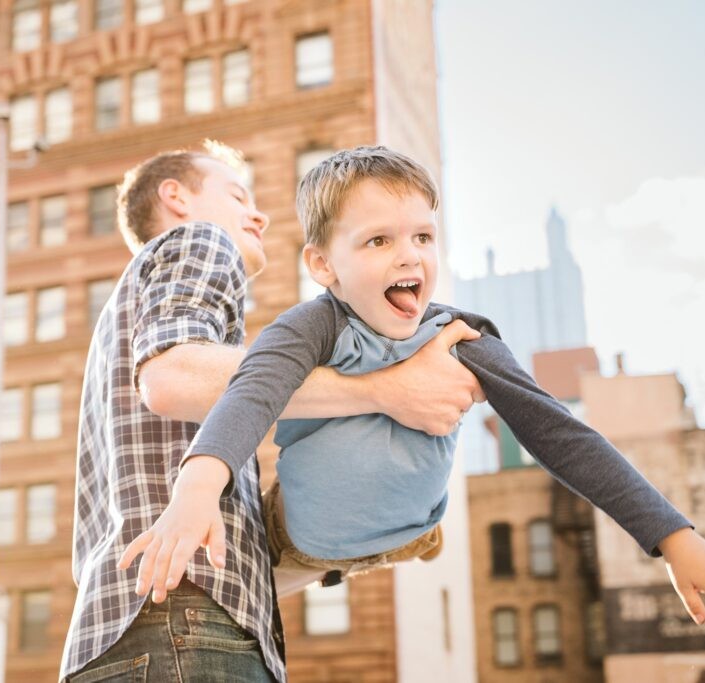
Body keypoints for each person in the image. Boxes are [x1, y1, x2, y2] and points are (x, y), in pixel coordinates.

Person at [120, 145, 705, 629]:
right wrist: (195, 489)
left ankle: (406, 536)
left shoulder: (463, 338)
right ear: (324, 264)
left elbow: (557, 431)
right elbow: (252, 394)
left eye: (423, 237)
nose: (409, 256)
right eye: (378, 240)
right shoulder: (311, 326)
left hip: (408, 526)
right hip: (297, 541)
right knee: (212, 582)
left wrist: (673, 535)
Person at [59, 141, 486, 683]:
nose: (257, 213)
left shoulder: (120, 326)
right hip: (186, 634)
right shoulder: (199, 240)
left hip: (119, 640)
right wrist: (384, 390)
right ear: (176, 198)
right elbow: (171, 377)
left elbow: (205, 553)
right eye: (237, 195)